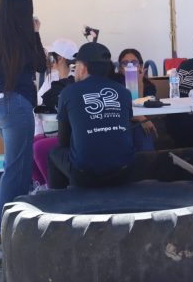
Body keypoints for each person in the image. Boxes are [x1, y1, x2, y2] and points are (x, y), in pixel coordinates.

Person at [0, 0, 47, 236]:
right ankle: (6, 228)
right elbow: (41, 64)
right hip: (16, 107)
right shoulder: (22, 36)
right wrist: (36, 33)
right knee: (18, 169)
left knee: (12, 165)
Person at [48, 42, 137, 189]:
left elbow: (63, 141)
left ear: (83, 68)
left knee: (54, 153)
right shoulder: (124, 92)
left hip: (85, 175)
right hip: (124, 171)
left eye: (76, 66)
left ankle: (59, 200)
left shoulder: (68, 92)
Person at [32, 38, 78, 189]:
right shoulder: (52, 77)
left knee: (38, 147)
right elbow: (40, 104)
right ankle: (41, 186)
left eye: (52, 56)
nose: (49, 60)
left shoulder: (75, 80)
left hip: (71, 134)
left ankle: (51, 189)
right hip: (54, 129)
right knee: (29, 143)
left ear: (61, 58)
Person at [114, 48, 157, 150]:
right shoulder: (114, 84)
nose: (130, 66)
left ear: (140, 66)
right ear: (120, 68)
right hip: (118, 121)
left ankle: (146, 158)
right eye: (125, 63)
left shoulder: (149, 86)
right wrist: (141, 118)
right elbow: (118, 110)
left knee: (141, 131)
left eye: (134, 62)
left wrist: (139, 83)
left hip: (138, 122)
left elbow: (141, 108)